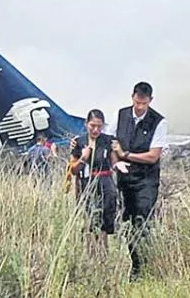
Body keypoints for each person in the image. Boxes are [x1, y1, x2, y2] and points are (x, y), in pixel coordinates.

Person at [110, 82, 168, 278]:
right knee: (126, 221)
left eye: (144, 103)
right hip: (124, 178)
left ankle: (141, 268)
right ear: (132, 98)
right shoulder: (121, 115)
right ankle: (131, 263)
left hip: (146, 180)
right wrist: (117, 162)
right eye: (137, 102)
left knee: (141, 222)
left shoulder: (158, 122)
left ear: (150, 101)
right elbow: (112, 143)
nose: (140, 107)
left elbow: (153, 156)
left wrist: (127, 155)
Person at [70, 109, 127, 252]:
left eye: (99, 126)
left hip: (105, 181)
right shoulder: (78, 142)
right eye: (92, 126)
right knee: (89, 218)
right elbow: (73, 169)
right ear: (86, 124)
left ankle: (103, 252)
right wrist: (83, 158)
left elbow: (113, 161)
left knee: (105, 219)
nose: (96, 130)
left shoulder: (108, 140)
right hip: (86, 182)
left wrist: (118, 164)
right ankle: (90, 253)